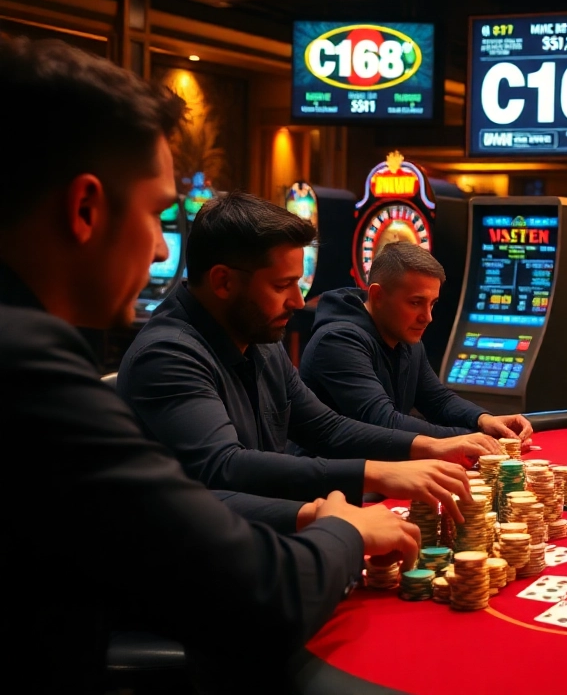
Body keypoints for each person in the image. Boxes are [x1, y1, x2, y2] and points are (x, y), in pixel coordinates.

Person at [1, 36, 419, 689]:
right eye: (159, 215)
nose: (160, 250)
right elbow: (258, 594)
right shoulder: (26, 365)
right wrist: (346, 528)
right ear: (85, 209)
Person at [119, 192, 493, 518]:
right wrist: (371, 476)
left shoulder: (260, 340)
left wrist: (432, 447)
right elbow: (224, 466)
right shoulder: (167, 355)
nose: (298, 302)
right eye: (282, 285)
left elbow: (325, 428)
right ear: (223, 281)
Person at [301, 242, 533, 442]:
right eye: (415, 303)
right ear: (378, 296)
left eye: (432, 303)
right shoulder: (337, 341)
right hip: (326, 482)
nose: (427, 317)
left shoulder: (405, 337)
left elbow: (437, 400)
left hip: (380, 469)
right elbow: (384, 422)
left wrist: (483, 419)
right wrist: (469, 437)